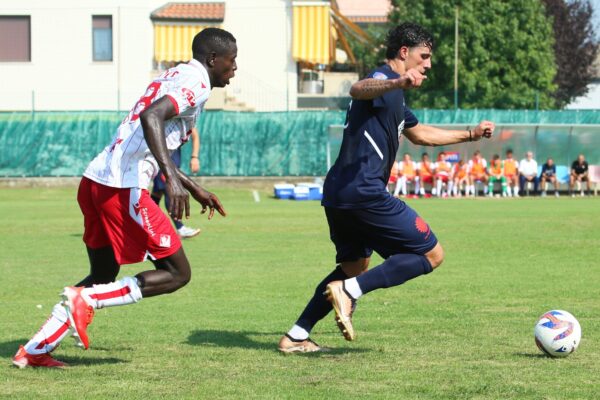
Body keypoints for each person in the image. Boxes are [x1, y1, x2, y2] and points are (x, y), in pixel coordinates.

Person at [12, 28, 235, 368]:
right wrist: (170, 178)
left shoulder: (176, 73)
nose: (234, 70)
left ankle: (35, 350)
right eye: (232, 62)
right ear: (213, 60)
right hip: (121, 186)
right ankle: (84, 300)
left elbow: (148, 132)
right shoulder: (198, 82)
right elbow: (151, 117)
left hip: (96, 181)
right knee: (177, 273)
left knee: (103, 274)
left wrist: (190, 185)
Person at [278, 22, 495, 353]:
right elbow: (357, 88)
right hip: (364, 191)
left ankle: (296, 335)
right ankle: (350, 292)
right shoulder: (383, 80)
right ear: (404, 53)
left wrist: (470, 135)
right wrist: (397, 80)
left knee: (353, 267)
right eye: (424, 57)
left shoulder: (395, 96)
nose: (428, 64)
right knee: (430, 254)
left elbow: (420, 134)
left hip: (339, 192)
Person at [151, 127, 202, 238]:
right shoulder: (162, 116)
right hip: (162, 162)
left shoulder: (183, 117)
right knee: (169, 190)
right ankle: (180, 228)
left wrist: (194, 157)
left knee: (156, 194)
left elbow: (195, 135)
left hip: (173, 161)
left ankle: (141, 224)